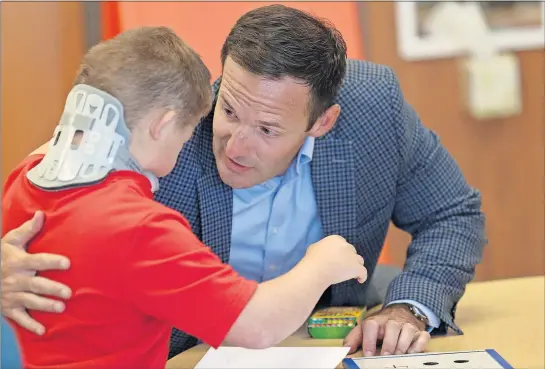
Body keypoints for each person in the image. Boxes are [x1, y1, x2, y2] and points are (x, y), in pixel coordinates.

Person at [2, 4, 486, 360]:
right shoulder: (160, 144)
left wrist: (410, 307)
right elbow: (58, 169)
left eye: (268, 130)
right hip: (188, 349)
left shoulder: (373, 107)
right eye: (229, 110)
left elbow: (451, 213)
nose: (234, 146)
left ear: (323, 121)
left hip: (327, 330)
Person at [0, 26, 366, 369]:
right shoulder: (141, 227)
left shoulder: (22, 181)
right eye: (188, 130)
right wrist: (322, 265)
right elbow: (256, 326)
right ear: (162, 125)